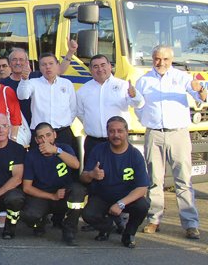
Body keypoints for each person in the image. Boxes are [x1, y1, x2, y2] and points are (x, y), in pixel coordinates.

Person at [134, 45, 203, 239]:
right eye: (157, 58)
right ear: (152, 59)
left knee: (183, 180)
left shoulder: (183, 77)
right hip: (154, 134)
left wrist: (202, 90)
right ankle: (154, 220)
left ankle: (191, 223)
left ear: (171, 60)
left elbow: (200, 97)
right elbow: (138, 105)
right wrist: (146, 121)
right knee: (154, 180)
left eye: (165, 59)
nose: (161, 63)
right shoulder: (144, 80)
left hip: (178, 134)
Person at [81, 116, 150, 248]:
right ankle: (108, 227)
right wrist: (92, 174)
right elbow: (83, 177)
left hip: (126, 198)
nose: (116, 135)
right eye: (112, 131)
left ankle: (128, 234)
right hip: (103, 196)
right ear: (107, 133)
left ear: (127, 132)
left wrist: (120, 204)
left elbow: (142, 188)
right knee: (87, 215)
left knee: (143, 205)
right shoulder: (98, 150)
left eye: (120, 131)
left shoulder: (135, 155)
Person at [21, 123, 87, 246]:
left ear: (55, 135)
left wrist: (56, 151)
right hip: (43, 196)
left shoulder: (64, 148)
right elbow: (27, 187)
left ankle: (69, 230)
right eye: (41, 137)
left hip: (64, 194)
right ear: (36, 140)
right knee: (29, 215)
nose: (45, 140)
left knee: (78, 190)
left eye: (48, 135)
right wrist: (52, 196)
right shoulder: (31, 155)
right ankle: (40, 221)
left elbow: (76, 165)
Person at [76, 54, 145, 164]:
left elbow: (139, 104)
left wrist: (135, 95)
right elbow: (80, 113)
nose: (100, 69)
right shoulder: (83, 90)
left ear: (110, 66)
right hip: (94, 142)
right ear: (90, 70)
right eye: (96, 66)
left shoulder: (123, 85)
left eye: (103, 65)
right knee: (93, 176)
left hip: (119, 141)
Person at [0, 42, 75, 127]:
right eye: (14, 59)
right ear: (9, 63)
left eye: (21, 59)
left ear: (27, 63)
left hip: (36, 126)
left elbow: (58, 70)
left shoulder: (36, 77)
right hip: (14, 126)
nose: (18, 62)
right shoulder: (2, 84)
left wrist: (71, 52)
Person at [16, 52, 77, 153]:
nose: (48, 67)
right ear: (40, 67)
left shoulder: (67, 84)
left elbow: (73, 108)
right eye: (44, 65)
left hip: (62, 133)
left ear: (57, 65)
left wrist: (64, 123)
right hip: (40, 135)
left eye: (51, 63)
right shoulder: (33, 83)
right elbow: (22, 95)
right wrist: (25, 78)